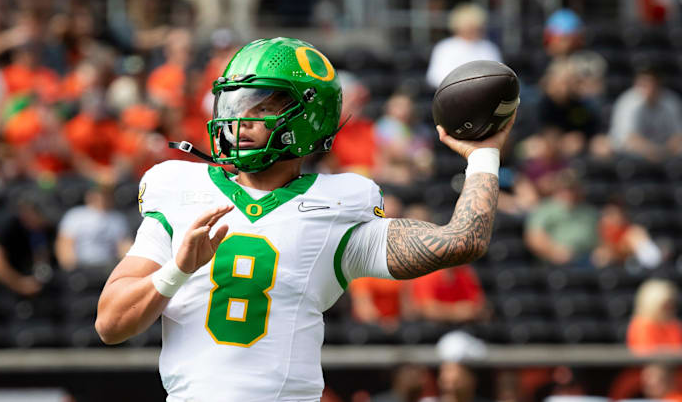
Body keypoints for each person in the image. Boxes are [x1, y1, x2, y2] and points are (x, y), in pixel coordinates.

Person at [96, 37, 514, 402]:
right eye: (234, 102)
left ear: (306, 118)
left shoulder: (340, 205)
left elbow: (463, 241)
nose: (239, 119)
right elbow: (110, 324)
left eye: (260, 105)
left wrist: (483, 155)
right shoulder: (179, 188)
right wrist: (178, 269)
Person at [607, 66, 682, 161]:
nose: (649, 88)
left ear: (659, 84)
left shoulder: (671, 101)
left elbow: (678, 136)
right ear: (636, 84)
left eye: (652, 83)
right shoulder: (627, 102)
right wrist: (653, 151)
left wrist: (663, 151)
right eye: (644, 84)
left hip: (665, 150)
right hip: (633, 151)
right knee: (602, 147)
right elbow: (629, 139)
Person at [524, 171, 598, 267]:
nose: (569, 192)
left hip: (587, 260)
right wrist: (554, 251)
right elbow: (534, 238)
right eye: (565, 188)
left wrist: (601, 252)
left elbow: (601, 239)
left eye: (572, 188)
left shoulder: (589, 212)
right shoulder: (544, 209)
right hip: (555, 262)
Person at [55, 183, 132, 270]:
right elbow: (65, 244)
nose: (101, 199)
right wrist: (70, 268)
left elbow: (124, 246)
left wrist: (126, 267)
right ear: (89, 196)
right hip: (82, 266)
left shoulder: (118, 218)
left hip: (108, 266)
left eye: (105, 195)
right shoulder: (75, 216)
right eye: (97, 195)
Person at [426, 3, 501, 88]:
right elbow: (435, 77)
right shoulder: (445, 47)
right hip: (453, 95)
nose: (474, 30)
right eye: (470, 26)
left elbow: (499, 76)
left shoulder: (488, 47)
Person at [627, 278, 682, 355]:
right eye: (665, 305)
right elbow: (647, 353)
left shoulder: (674, 324)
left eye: (671, 304)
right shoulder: (642, 324)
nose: (669, 308)